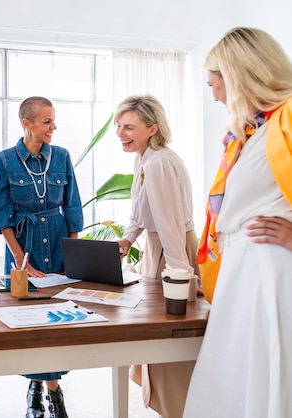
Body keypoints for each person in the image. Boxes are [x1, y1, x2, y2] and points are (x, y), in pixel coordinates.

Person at [184, 27, 292, 418]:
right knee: (233, 391)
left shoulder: (289, 116)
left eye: (215, 80)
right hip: (243, 277)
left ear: (240, 73)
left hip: (271, 276)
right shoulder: (253, 130)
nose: (213, 92)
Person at [0, 96, 83, 418]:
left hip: (58, 247)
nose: (53, 127)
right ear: (27, 124)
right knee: (28, 324)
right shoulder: (5, 161)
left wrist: (73, 256)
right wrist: (21, 261)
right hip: (22, 249)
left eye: (53, 120)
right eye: (47, 121)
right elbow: (1, 217)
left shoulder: (62, 157)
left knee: (58, 322)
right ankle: (43, 390)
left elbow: (72, 208)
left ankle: (47, 392)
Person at [113, 95, 199, 418]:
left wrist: (182, 275)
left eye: (129, 127)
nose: (121, 133)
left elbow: (168, 222)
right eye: (119, 126)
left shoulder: (160, 162)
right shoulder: (144, 159)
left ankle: (181, 410)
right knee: (158, 352)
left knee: (170, 348)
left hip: (171, 252)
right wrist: (126, 239)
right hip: (157, 250)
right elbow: (140, 213)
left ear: (153, 127)